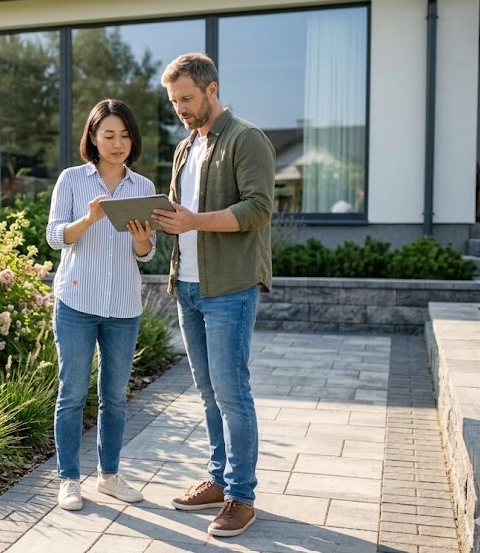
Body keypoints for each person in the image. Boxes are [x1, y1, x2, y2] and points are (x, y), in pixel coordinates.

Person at [150, 52, 275, 537]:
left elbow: (259, 208)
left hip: (229, 288)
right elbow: (181, 215)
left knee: (232, 392)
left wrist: (194, 220)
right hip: (187, 285)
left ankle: (242, 496)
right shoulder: (187, 148)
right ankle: (220, 480)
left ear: (212, 89)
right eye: (173, 101)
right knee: (207, 392)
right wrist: (155, 219)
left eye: (185, 98)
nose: (179, 108)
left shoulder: (246, 139)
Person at [46, 98, 157, 511]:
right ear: (92, 138)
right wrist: (90, 219)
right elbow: (56, 237)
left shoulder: (143, 188)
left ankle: (108, 476)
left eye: (125, 135)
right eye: (109, 135)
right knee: (72, 393)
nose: (118, 143)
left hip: (123, 308)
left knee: (115, 395)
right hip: (76, 301)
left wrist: (143, 240)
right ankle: (69, 480)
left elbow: (146, 253)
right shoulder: (72, 180)